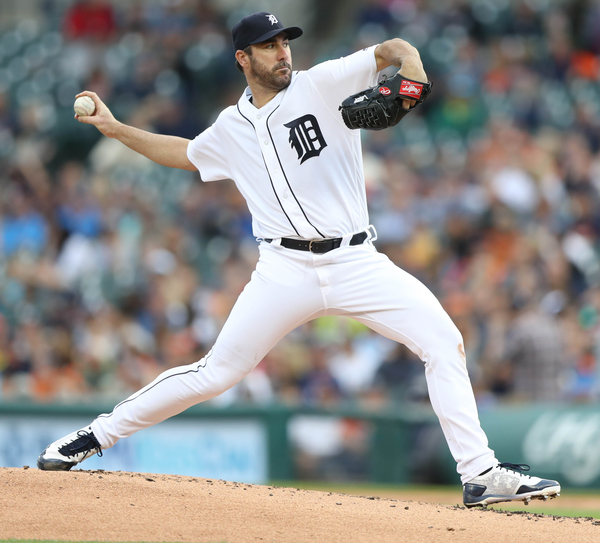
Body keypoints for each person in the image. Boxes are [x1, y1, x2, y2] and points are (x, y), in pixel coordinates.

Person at [37, 11, 561, 508]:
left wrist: (413, 64)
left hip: (356, 261)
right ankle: (94, 436)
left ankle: (480, 473)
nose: (282, 52)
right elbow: (184, 152)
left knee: (444, 341)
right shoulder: (231, 126)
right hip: (283, 271)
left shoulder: (322, 83)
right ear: (243, 58)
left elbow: (390, 48)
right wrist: (115, 128)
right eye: (268, 46)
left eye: (285, 42)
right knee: (216, 373)